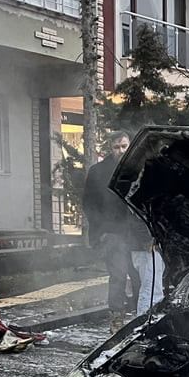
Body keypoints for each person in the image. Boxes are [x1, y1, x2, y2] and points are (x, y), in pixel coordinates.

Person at [83, 131, 146, 332]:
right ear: (110, 148)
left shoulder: (139, 168)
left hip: (136, 233)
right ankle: (116, 320)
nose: (120, 150)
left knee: (139, 277)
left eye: (124, 146)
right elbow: (89, 204)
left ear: (130, 146)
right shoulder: (98, 171)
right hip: (112, 233)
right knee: (118, 276)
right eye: (116, 147)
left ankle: (140, 316)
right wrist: (100, 231)